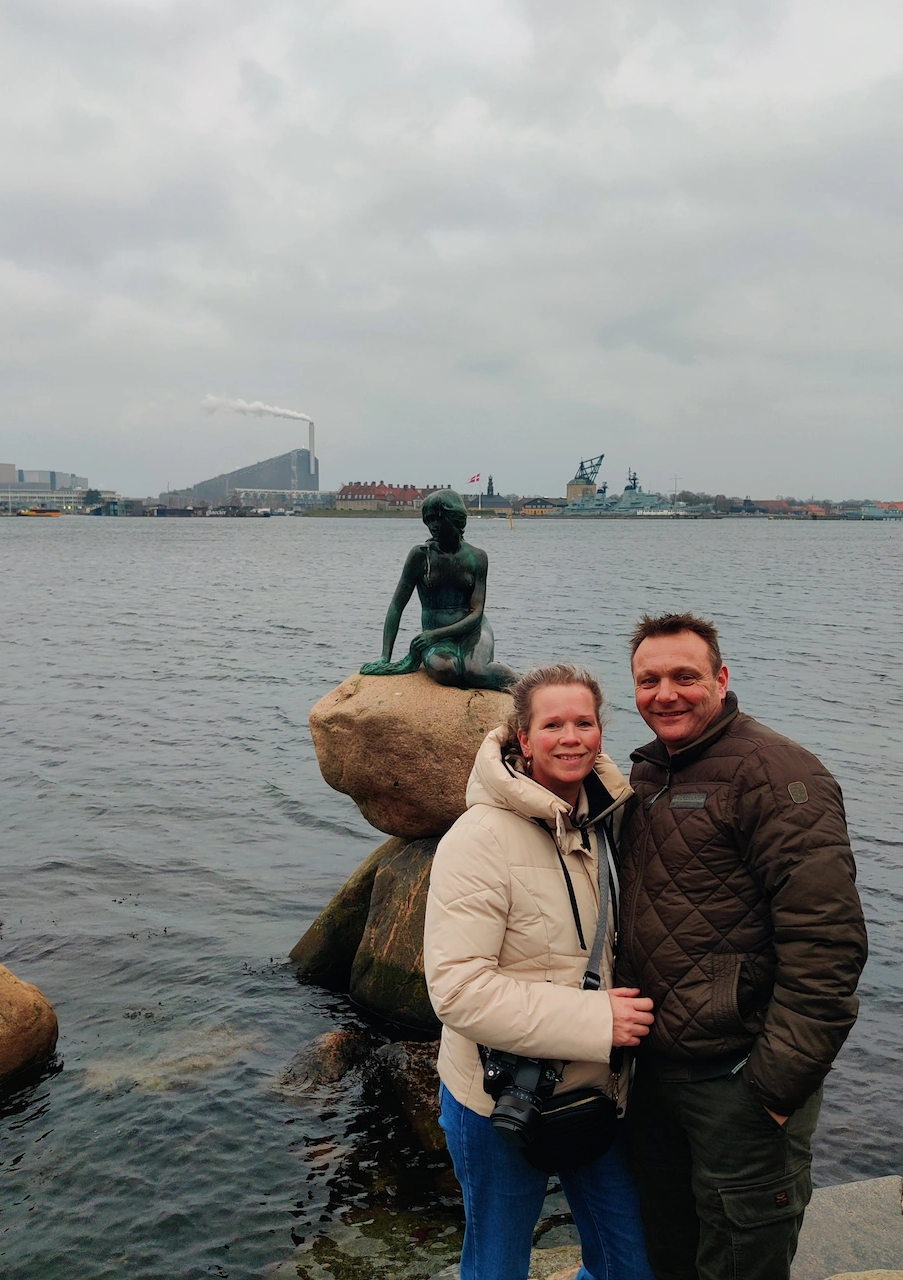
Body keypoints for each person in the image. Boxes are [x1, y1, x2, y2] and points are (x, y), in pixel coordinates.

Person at [618, 613, 868, 1280]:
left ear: (722, 679)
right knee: (669, 1256)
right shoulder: (648, 774)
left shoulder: (781, 776)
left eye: (684, 677)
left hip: (738, 1083)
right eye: (649, 680)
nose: (665, 694)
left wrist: (776, 1087)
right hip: (658, 1078)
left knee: (740, 1259)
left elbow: (828, 945)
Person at [424, 664, 657, 1280]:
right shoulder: (478, 839)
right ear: (522, 739)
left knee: (630, 1265)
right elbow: (457, 990)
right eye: (552, 724)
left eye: (584, 722)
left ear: (601, 732)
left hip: (595, 1090)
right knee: (497, 1266)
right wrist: (598, 1019)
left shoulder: (609, 820)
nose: (571, 736)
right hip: (498, 1097)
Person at [360, 488, 517, 690]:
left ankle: (524, 685)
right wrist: (385, 656)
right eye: (429, 520)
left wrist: (434, 635)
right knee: (447, 671)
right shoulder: (420, 556)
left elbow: (477, 613)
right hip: (434, 635)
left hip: (474, 631)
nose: (433, 526)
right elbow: (396, 606)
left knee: (476, 671)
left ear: (455, 518)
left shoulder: (478, 557)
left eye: (438, 519)